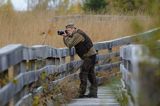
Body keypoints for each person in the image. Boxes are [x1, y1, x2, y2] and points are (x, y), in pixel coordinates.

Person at [62, 23, 98, 98]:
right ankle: (93, 93)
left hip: (89, 56)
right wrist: (66, 37)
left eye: (69, 30)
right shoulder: (75, 34)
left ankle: (81, 93)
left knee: (83, 73)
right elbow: (69, 44)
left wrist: (65, 37)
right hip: (90, 56)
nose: (68, 32)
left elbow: (69, 44)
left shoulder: (78, 35)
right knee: (91, 74)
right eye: (67, 30)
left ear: (73, 29)